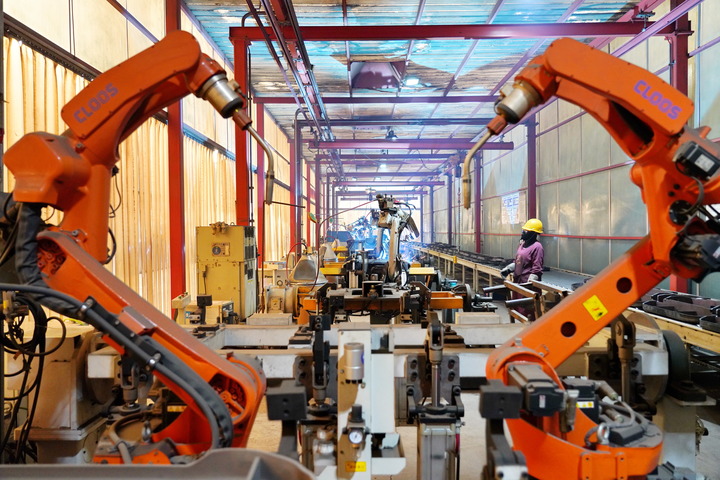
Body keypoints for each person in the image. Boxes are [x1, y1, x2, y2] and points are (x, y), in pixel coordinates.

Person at [500, 218, 544, 283]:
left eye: (526, 230)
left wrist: (530, 282)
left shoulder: (537, 247)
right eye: (523, 230)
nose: (523, 232)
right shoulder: (522, 244)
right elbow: (518, 261)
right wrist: (508, 269)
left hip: (527, 285)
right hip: (517, 282)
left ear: (533, 233)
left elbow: (537, 269)